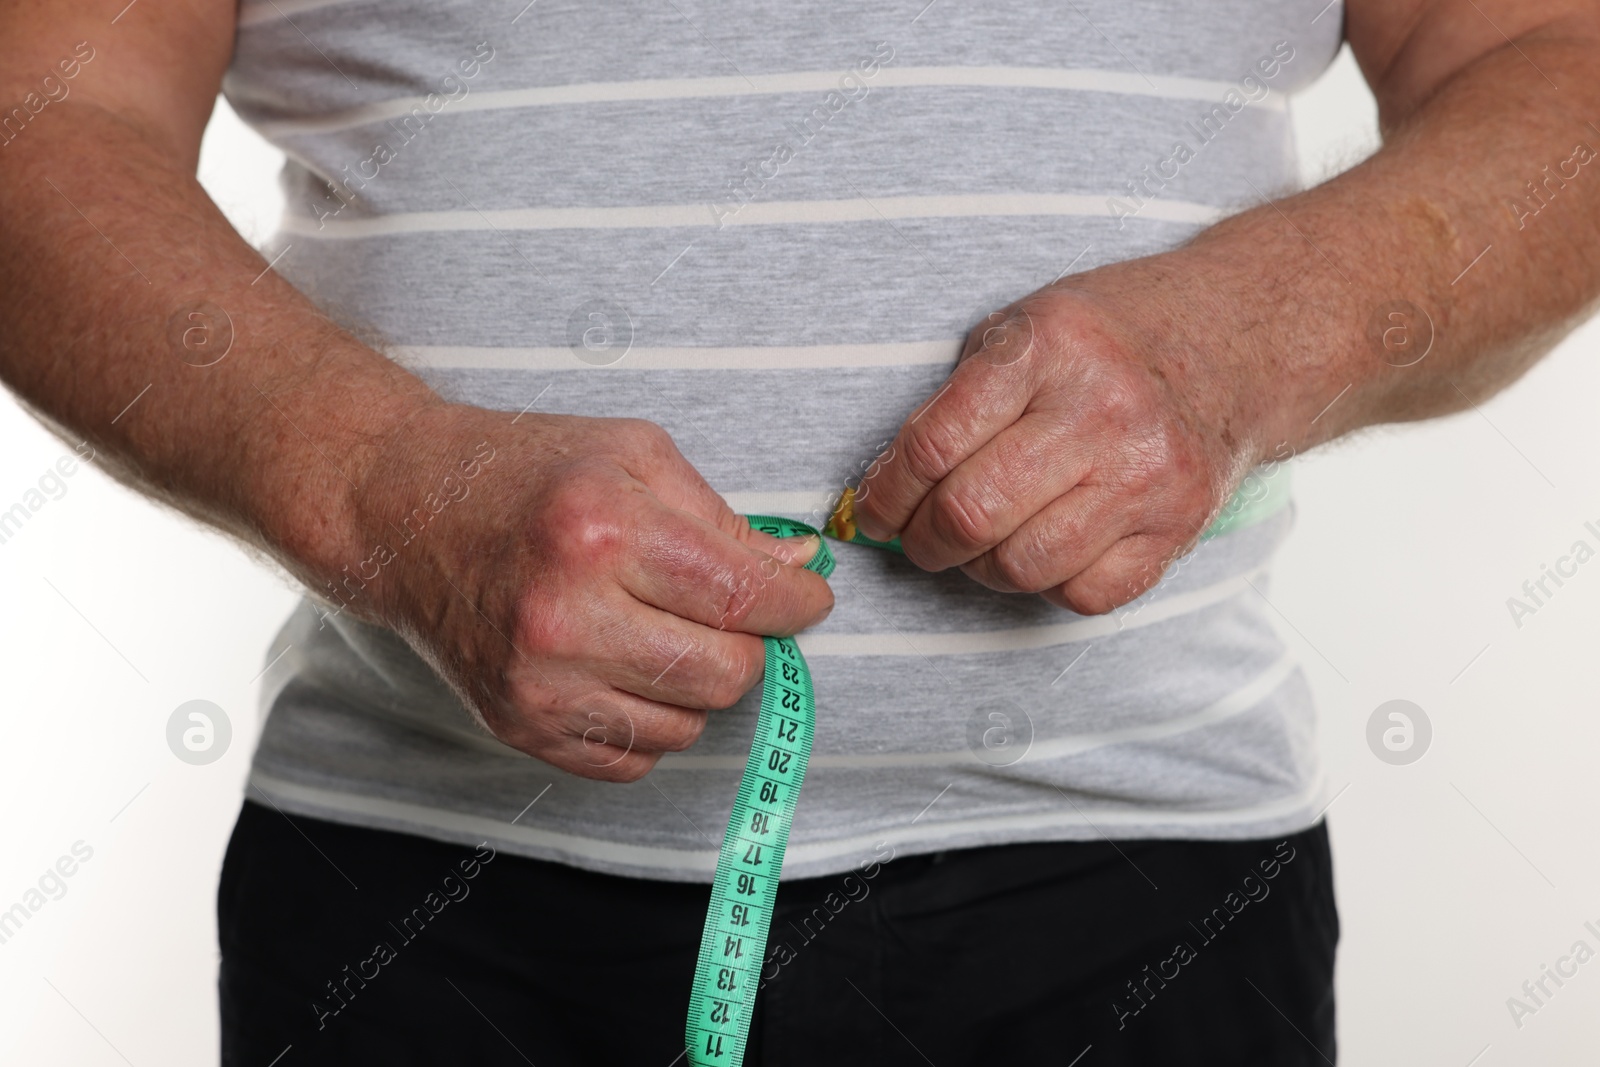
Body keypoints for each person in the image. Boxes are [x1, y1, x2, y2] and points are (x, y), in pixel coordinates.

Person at [3, 0, 1597, 1062]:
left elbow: (1550, 63)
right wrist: (382, 491)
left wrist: (1256, 341)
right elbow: (39, 116)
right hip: (427, 904)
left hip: (1144, 901)